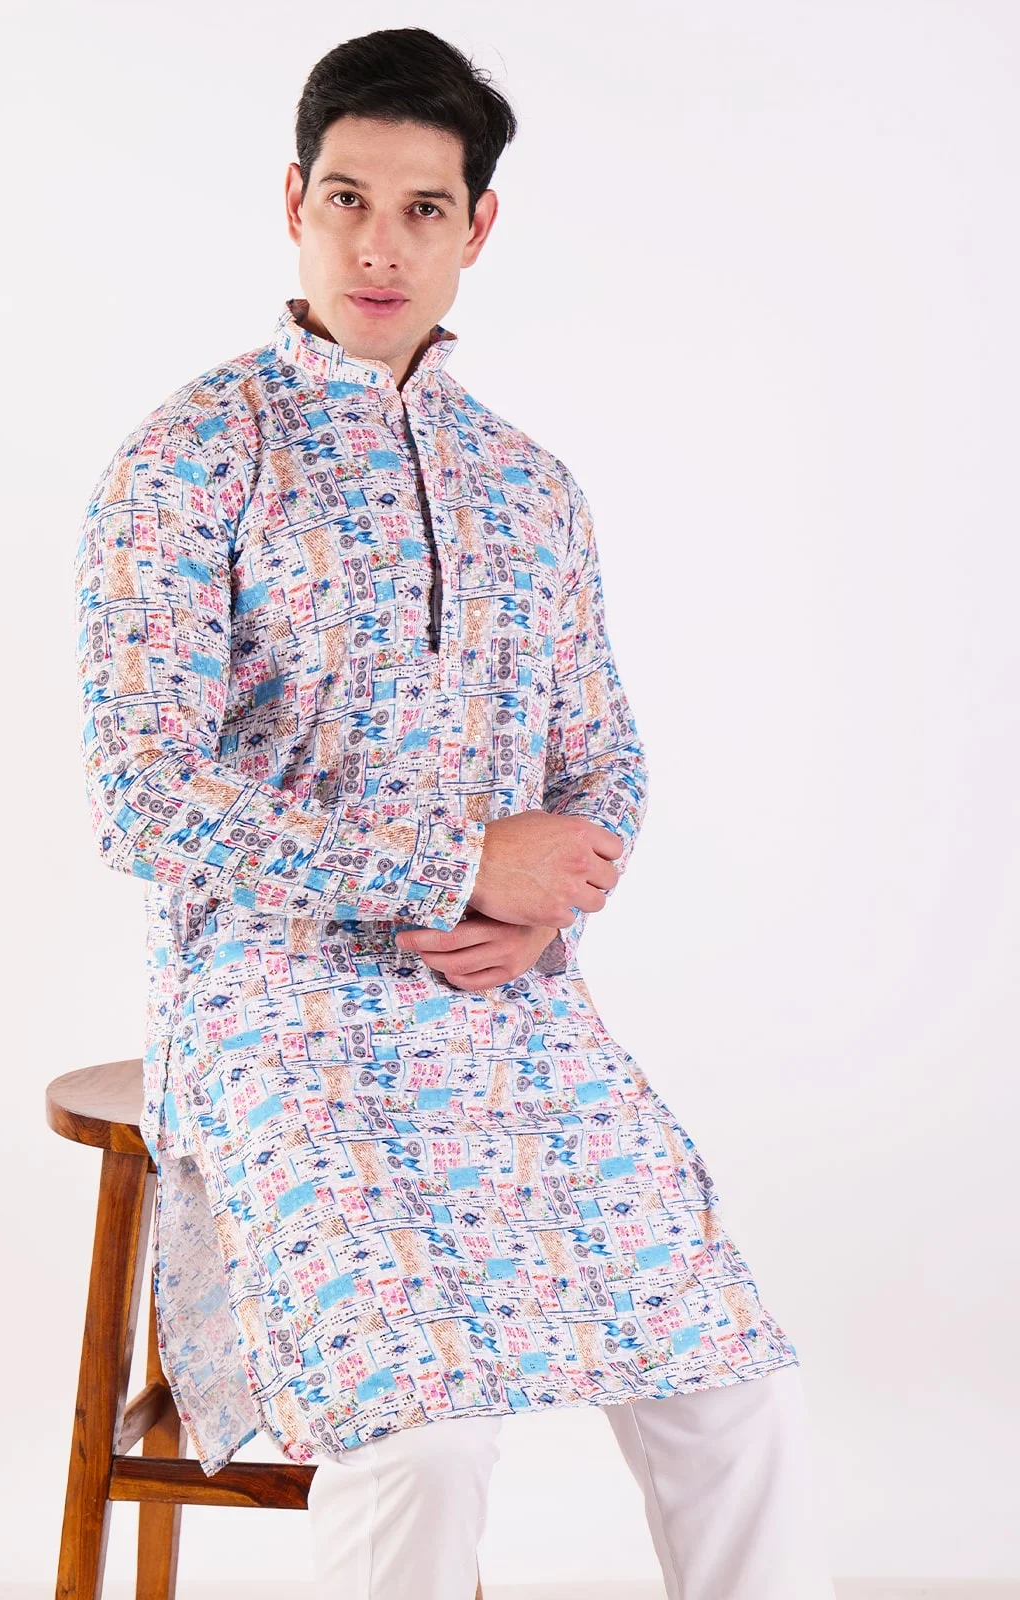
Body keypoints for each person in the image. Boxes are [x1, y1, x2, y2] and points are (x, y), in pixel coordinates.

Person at [73, 25, 835, 1600]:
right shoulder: (189, 460)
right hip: (275, 1008)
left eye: (423, 209)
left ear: (478, 227)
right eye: (348, 199)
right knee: (421, 1435)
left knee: (734, 1389)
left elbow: (602, 762)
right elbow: (149, 800)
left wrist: (541, 906)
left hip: (508, 1010)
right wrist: (457, 861)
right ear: (292, 201)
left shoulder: (530, 488)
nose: (380, 245)